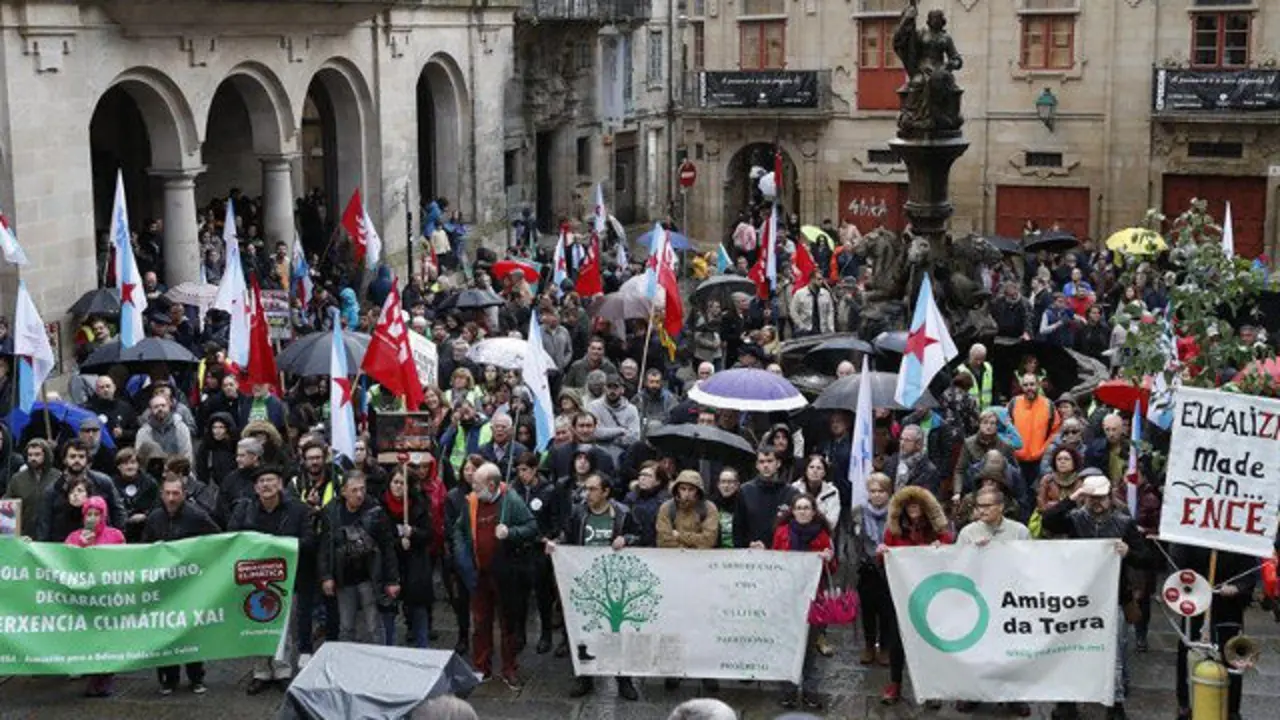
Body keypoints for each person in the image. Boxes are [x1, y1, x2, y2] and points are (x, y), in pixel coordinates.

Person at [1041, 474, 1152, 720]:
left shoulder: (1124, 523)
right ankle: (1066, 701)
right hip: (1078, 597)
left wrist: (1129, 552)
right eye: (1092, 498)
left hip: (1113, 597)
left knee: (1115, 653)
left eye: (1101, 497)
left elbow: (1147, 558)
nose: (1096, 503)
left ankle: (1115, 703)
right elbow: (1049, 520)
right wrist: (1072, 498)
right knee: (1070, 649)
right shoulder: (1074, 518)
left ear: (1110, 497)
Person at [547, 472, 641, 701]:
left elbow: (640, 535)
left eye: (592, 489)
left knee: (617, 631)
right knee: (584, 631)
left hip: (614, 584)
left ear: (606, 492)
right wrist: (555, 543)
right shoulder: (579, 512)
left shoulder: (622, 513)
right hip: (585, 581)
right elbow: (566, 535)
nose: (586, 494)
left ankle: (623, 679)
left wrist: (627, 540)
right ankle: (585, 676)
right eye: (585, 489)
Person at [452, 462, 538, 688]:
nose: (474, 490)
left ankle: (509, 668)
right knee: (480, 622)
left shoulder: (511, 500)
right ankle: (481, 667)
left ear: (492, 484)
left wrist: (511, 532)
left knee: (508, 622)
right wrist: (462, 558)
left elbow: (531, 527)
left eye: (478, 485)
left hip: (505, 574)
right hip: (478, 573)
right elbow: (459, 531)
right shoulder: (471, 502)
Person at [229, 466, 313, 694]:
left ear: (280, 484)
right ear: (255, 488)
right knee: (256, 623)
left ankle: (282, 670)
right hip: (254, 579)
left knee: (283, 627)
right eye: (261, 481)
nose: (266, 485)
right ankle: (261, 672)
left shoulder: (298, 510)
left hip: (286, 578)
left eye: (271, 480)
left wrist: (276, 545)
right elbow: (233, 538)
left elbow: (308, 541)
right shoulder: (244, 509)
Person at [143, 472, 221, 695]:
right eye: (167, 493)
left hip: (190, 585)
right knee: (163, 630)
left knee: (190, 631)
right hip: (164, 586)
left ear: (184, 494)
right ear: (161, 494)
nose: (171, 498)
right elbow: (145, 548)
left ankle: (196, 677)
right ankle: (168, 678)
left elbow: (216, 540)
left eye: (175, 493)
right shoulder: (155, 517)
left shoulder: (197, 516)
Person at [879, 486, 954, 706]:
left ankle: (930, 687)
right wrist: (883, 553)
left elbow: (951, 556)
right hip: (900, 594)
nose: (913, 508)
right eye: (909, 504)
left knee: (928, 640)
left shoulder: (939, 531)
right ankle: (895, 683)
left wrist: (942, 548)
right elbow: (886, 564)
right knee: (897, 640)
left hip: (930, 596)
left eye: (917, 504)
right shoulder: (893, 531)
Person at [1172, 545, 1257, 720]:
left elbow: (1249, 572)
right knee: (1188, 657)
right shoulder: (1192, 540)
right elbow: (1179, 564)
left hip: (1229, 610)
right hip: (1196, 606)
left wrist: (1238, 587)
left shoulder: (1238, 543)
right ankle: (1186, 705)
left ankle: (1231, 710)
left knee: (1232, 659)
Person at [655, 469, 721, 693]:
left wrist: (680, 537)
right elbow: (664, 540)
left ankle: (705, 671)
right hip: (672, 572)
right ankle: (674, 670)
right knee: (674, 621)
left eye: (691, 489)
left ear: (698, 491)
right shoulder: (666, 508)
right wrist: (689, 543)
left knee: (703, 622)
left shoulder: (708, 509)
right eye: (682, 489)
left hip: (701, 574)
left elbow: (709, 540)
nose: (686, 494)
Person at [317, 471, 401, 644]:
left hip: (369, 576)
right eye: (354, 490)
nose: (359, 494)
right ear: (344, 492)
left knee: (374, 626)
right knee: (346, 626)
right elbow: (325, 548)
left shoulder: (376, 511)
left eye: (362, 489)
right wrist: (326, 576)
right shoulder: (331, 512)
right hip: (344, 577)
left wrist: (392, 580)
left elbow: (387, 547)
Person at [772, 494, 836, 711]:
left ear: (813, 511)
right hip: (788, 597)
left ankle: (810, 691)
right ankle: (788, 691)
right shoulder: (782, 532)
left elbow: (833, 568)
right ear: (792, 510)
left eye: (806, 508)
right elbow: (775, 561)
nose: (802, 511)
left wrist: (829, 558)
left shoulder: (823, 534)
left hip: (813, 598)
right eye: (798, 507)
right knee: (789, 645)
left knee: (809, 648)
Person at [65, 495, 126, 697]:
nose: (92, 518)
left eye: (97, 514)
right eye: (88, 514)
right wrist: (81, 548)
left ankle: (106, 678)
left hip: (107, 597)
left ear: (104, 516)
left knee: (107, 639)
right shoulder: (73, 537)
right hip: (84, 599)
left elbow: (125, 563)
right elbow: (63, 564)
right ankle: (92, 677)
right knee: (88, 638)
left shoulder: (115, 536)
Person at [509, 452, 564, 655]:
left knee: (543, 595)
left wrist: (548, 536)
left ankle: (546, 634)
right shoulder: (513, 490)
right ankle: (520, 633)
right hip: (518, 548)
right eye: (518, 470)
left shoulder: (549, 490)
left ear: (534, 470)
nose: (521, 474)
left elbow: (556, 519)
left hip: (539, 549)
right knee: (519, 595)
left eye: (525, 470)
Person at [380, 469, 434, 649]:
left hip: (415, 564)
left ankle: (422, 648)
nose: (398, 486)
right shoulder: (380, 506)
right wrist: (397, 542)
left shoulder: (419, 504)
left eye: (402, 483)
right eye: (395, 482)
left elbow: (429, 534)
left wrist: (414, 533)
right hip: (390, 565)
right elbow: (379, 537)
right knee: (388, 611)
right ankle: (389, 648)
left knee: (418, 610)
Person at [853, 473, 893, 667]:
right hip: (866, 566)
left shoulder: (895, 513)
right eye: (873, 491)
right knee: (867, 609)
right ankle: (869, 644)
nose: (877, 495)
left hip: (888, 567)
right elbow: (854, 540)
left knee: (886, 610)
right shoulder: (859, 512)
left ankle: (885, 646)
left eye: (881, 491)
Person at [734, 447, 800, 549]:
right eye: (761, 462)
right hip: (752, 555)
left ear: (778, 463)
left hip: (783, 555)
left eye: (770, 461)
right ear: (757, 465)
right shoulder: (745, 491)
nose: (765, 465)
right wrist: (748, 544)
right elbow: (738, 529)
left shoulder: (791, 493)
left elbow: (798, 528)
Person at [1009, 373, 1060, 490]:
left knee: (1037, 493)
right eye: (1025, 385)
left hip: (1040, 460)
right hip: (1017, 460)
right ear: (1021, 387)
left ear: (1038, 385)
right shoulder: (1013, 403)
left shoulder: (1048, 405)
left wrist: (1044, 449)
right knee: (1019, 493)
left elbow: (1056, 431)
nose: (1029, 388)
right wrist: (1012, 447)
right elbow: (1004, 428)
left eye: (1032, 384)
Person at [3, 438, 60, 538]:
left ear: (45, 455)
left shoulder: (57, 477)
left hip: (51, 535)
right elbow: (7, 506)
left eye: (37, 454)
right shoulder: (17, 479)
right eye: (30, 455)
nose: (33, 458)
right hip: (25, 534)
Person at [882, 425, 941, 496]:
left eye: (907, 440)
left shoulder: (929, 470)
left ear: (918, 444)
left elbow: (927, 501)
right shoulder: (891, 462)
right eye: (901, 439)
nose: (902, 443)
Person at [136, 393, 194, 463]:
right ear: (150, 410)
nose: (160, 409)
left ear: (169, 407)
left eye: (163, 405)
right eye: (156, 407)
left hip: (178, 470)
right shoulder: (143, 432)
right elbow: (140, 458)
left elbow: (187, 454)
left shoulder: (181, 428)